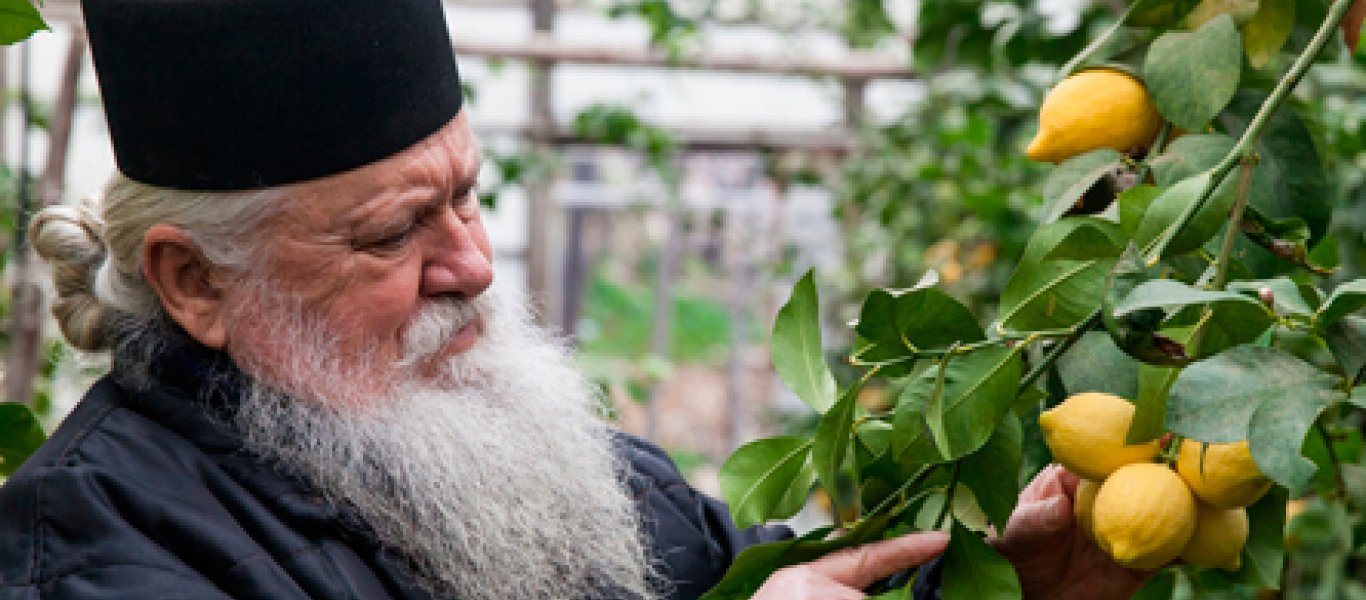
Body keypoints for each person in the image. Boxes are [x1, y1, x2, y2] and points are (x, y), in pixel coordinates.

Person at [0, 2, 1151, 599]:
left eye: (467, 199)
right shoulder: (93, 549)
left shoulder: (523, 461)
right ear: (195, 281)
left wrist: (1001, 585)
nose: (473, 264)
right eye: (394, 231)